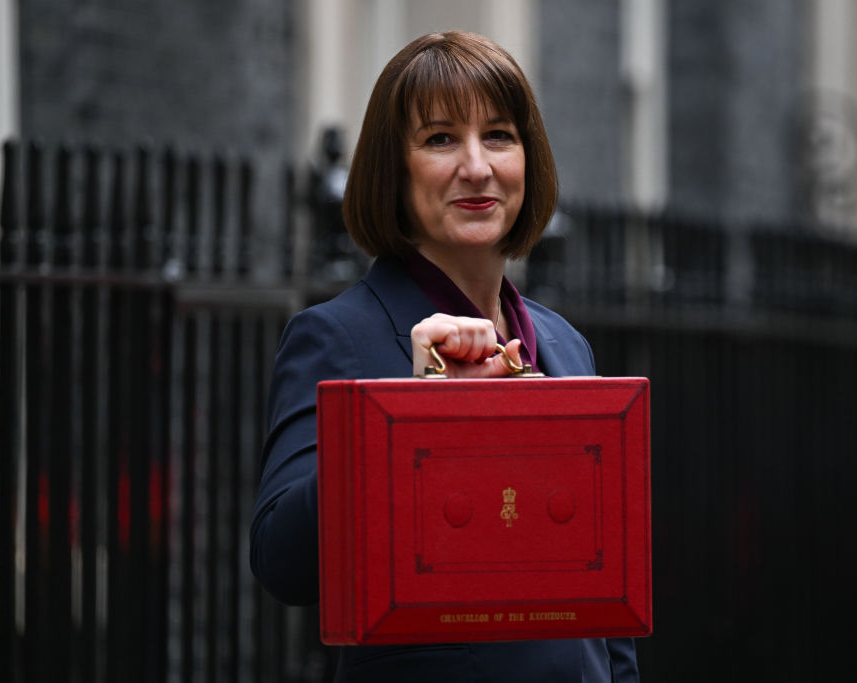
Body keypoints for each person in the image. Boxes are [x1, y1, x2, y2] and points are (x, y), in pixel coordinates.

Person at [250, 30, 640, 682]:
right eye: (439, 139)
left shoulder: (567, 344)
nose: (477, 166)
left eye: (498, 135)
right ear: (393, 173)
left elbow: (605, 602)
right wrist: (409, 413)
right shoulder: (336, 336)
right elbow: (281, 563)